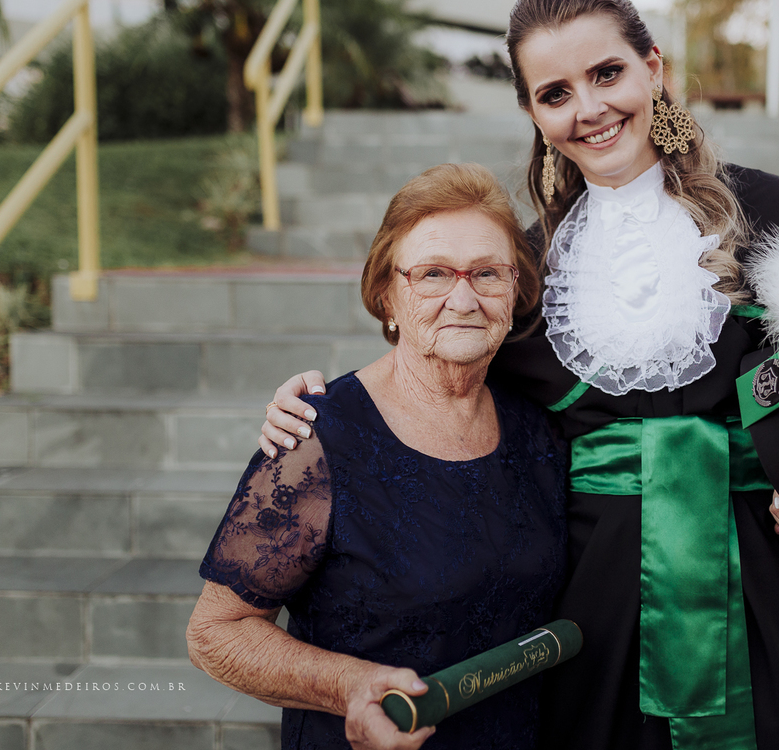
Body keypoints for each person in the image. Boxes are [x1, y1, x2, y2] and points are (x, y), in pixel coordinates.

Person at [258, 1, 779, 748]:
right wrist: (325, 409)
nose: (588, 109)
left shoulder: (767, 213)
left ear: (653, 69)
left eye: (608, 73)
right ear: (531, 110)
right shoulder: (531, 264)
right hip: (586, 603)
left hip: (750, 587)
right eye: (555, 93)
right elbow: (445, 377)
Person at [187, 163, 567, 750]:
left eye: (487, 273)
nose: (463, 297)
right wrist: (350, 687)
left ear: (515, 291)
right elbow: (216, 633)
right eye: (433, 274)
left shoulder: (537, 428)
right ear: (387, 295)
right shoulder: (317, 437)